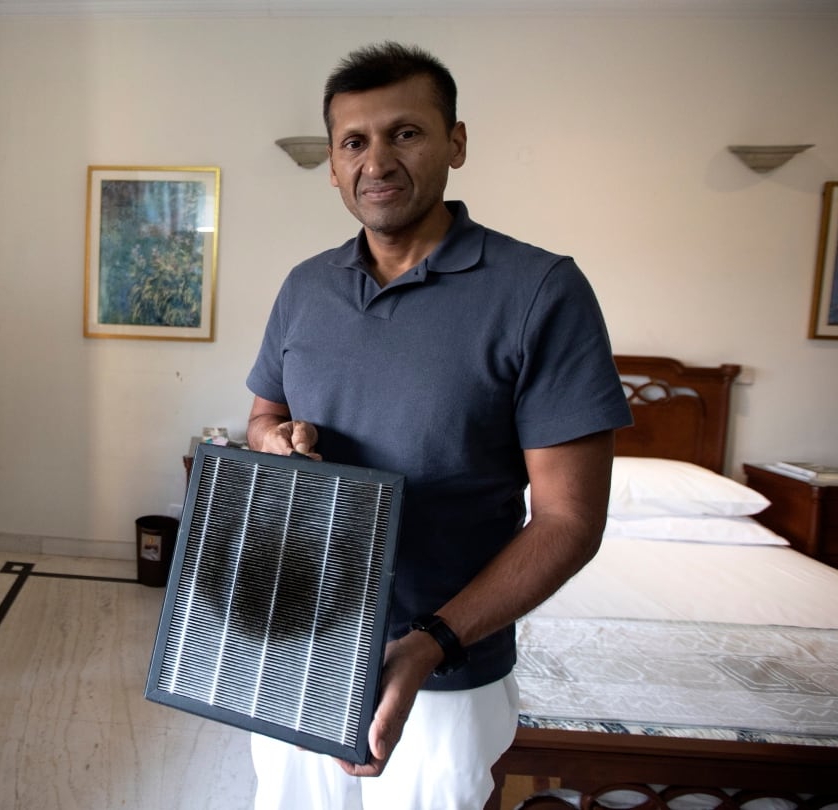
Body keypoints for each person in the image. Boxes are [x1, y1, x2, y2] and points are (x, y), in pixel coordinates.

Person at [244, 41, 633, 810]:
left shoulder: (539, 291)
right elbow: (263, 416)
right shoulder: (304, 287)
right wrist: (274, 441)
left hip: (444, 673)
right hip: (293, 645)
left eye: (406, 133)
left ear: (456, 142)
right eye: (354, 141)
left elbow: (569, 520)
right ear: (332, 164)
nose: (376, 160)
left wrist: (429, 644)